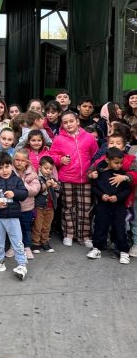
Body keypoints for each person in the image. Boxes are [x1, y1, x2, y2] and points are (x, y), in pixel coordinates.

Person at [49, 111, 98, 247]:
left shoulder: (89, 137)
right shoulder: (58, 139)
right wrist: (60, 159)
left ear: (78, 121)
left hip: (86, 178)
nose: (69, 124)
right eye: (65, 122)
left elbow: (95, 157)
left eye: (71, 121)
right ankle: (69, 234)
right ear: (62, 125)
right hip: (67, 178)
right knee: (68, 207)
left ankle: (85, 236)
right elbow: (51, 155)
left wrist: (92, 171)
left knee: (85, 208)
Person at [0, 152, 28, 280]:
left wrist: (14, 193)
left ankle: (22, 264)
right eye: (0, 167)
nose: (4, 170)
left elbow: (24, 194)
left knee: (17, 241)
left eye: (7, 166)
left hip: (13, 217)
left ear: (11, 166)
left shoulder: (16, 179)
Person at [87, 148, 132, 264]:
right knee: (100, 226)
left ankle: (123, 251)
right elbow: (94, 187)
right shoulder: (100, 173)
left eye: (121, 162)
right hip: (103, 205)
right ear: (107, 160)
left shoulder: (122, 175)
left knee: (120, 228)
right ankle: (97, 248)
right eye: (116, 162)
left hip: (119, 206)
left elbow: (127, 190)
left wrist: (117, 197)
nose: (119, 165)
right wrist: (102, 195)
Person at [8, 150, 40, 260]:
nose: (19, 162)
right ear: (13, 160)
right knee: (13, 229)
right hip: (12, 207)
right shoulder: (9, 171)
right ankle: (14, 246)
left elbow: (35, 190)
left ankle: (26, 247)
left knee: (26, 228)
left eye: (23, 160)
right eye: (17, 160)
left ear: (27, 162)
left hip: (27, 207)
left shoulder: (32, 173)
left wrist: (22, 182)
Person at [31, 156, 60, 254]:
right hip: (39, 206)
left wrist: (56, 186)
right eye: (46, 168)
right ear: (40, 167)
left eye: (50, 169)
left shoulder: (52, 178)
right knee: (38, 226)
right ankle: (35, 243)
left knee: (47, 226)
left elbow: (60, 190)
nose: (48, 171)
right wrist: (45, 186)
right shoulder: (37, 178)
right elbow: (36, 191)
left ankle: (45, 242)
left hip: (50, 206)